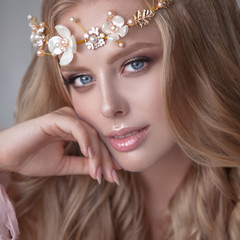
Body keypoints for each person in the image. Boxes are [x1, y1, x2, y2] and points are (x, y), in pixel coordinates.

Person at [0, 0, 239, 239]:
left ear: (201, 57)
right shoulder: (33, 204)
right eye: (82, 79)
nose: (108, 106)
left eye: (135, 64)